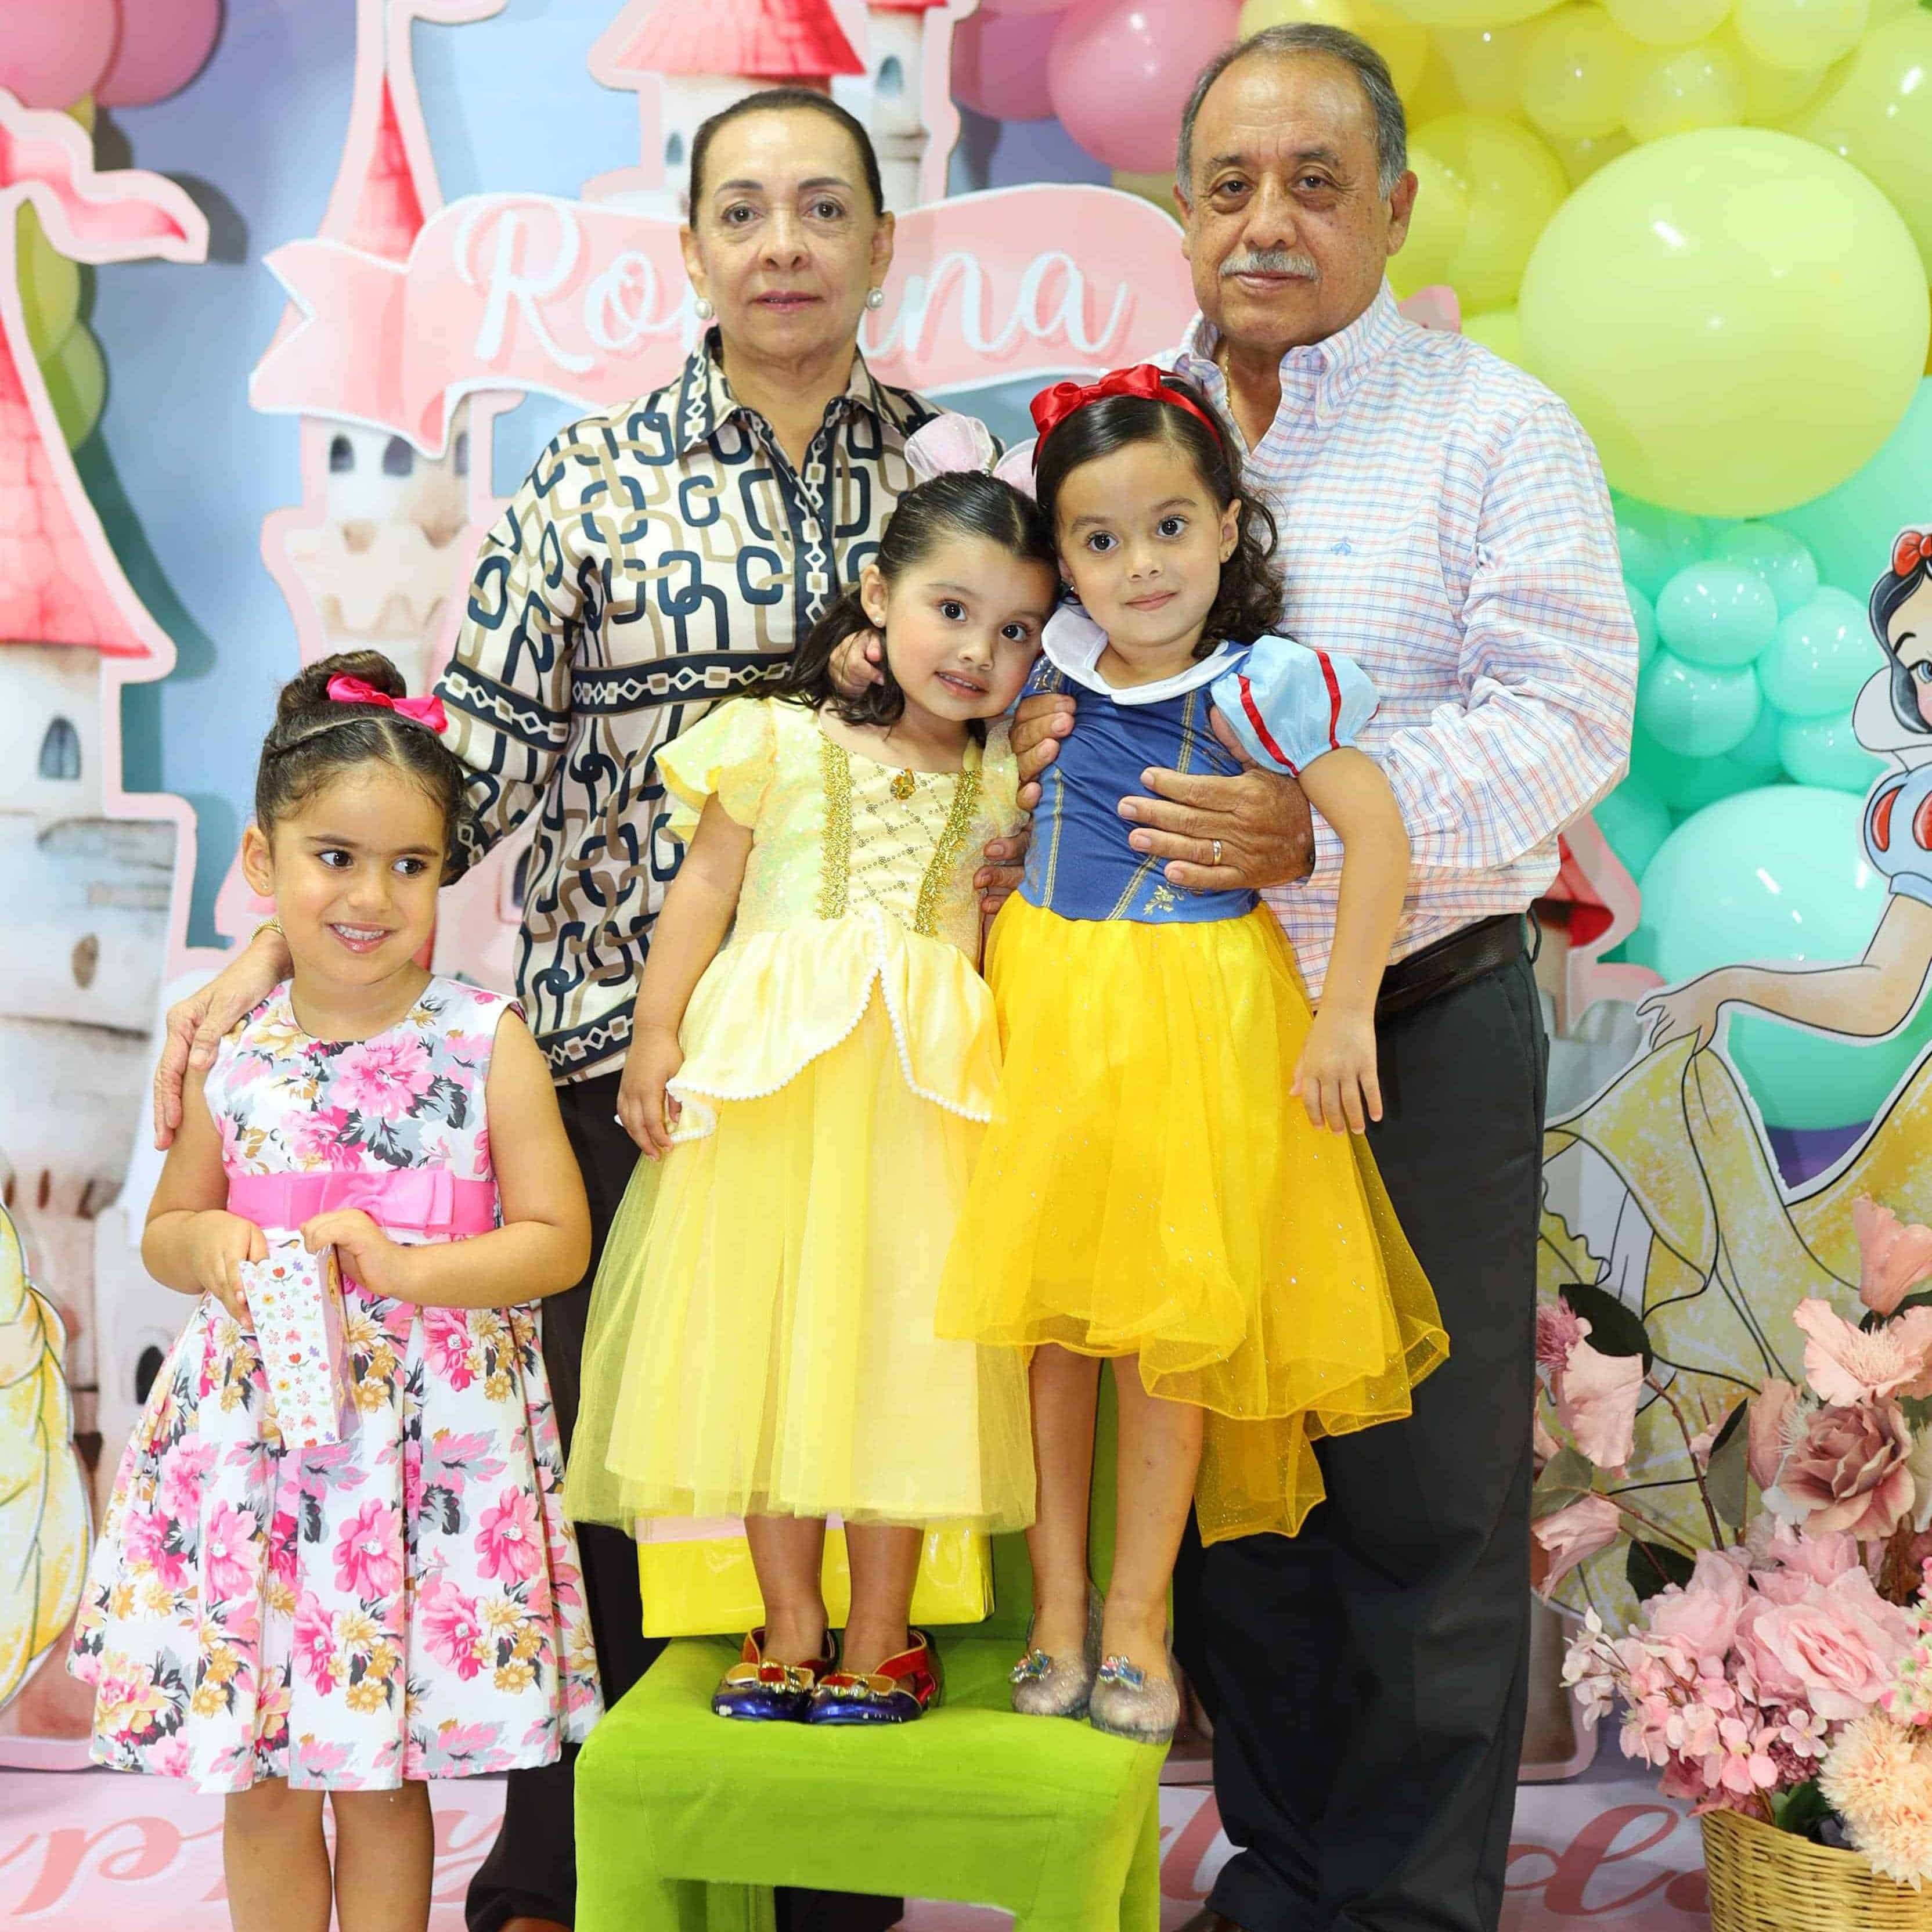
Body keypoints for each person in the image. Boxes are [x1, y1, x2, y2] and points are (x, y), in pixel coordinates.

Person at [147, 86, 949, 1932]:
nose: (782, 243)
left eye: (822, 207)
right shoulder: (588, 481)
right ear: (692, 249)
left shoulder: (944, 480)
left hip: (867, 1070)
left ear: (882, 244)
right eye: (742, 209)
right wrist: (281, 943)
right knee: (583, 1476)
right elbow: (476, 765)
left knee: (846, 1448)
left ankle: (833, 1861)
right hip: (611, 1051)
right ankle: (568, 1851)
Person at [1004, 26, 1635, 1932]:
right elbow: (1017, 676)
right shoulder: (1116, 443)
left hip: (1408, 1021)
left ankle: (1412, 1907)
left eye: (1313, 182)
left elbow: (1565, 714)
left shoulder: (1492, 427)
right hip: (1164, 1049)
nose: (1266, 221)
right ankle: (1278, 1882)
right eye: (1227, 184)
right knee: (1227, 1486)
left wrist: (1328, 826)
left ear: (1395, 204)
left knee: (1419, 1496)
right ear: (1178, 207)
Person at [936, 367, 1444, 1749]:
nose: (1139, 565)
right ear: (1060, 559)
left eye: (1168, 526)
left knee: (1167, 1333)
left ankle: (1138, 1616)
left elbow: (1375, 830)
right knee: (1044, 1326)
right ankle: (1054, 1604)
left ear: (1226, 524)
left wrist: (1344, 1010)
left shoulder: (1257, 684)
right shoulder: (1043, 667)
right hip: (1043, 1007)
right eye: (1099, 540)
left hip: (1194, 1019)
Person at [70, 651, 601, 1932]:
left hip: (415, 1457)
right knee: (257, 1779)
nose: (371, 895)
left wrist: (410, 1270)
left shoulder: (484, 1040)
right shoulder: (235, 1049)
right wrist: (214, 1247)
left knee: (376, 1777)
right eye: (335, 857)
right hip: (252, 1450)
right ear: (263, 860)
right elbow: (168, 1229)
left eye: (410, 865)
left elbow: (557, 1242)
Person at [568, 419, 1051, 1724]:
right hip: (771, 1100)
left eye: (1015, 629)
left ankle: (883, 1633)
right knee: (767, 1352)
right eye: (952, 610)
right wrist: (655, 1036)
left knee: (900, 1357)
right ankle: (786, 1620)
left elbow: (1003, 935)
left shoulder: (1003, 779)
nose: (977, 650)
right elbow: (705, 889)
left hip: (922, 1114)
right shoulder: (778, 738)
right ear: (877, 597)